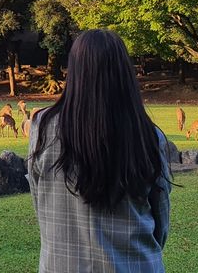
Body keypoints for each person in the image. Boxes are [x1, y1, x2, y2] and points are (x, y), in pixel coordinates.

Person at [28, 29, 172, 273]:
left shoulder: (42, 128)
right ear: (124, 73)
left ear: (74, 71)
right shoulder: (147, 135)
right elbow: (160, 218)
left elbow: (39, 200)